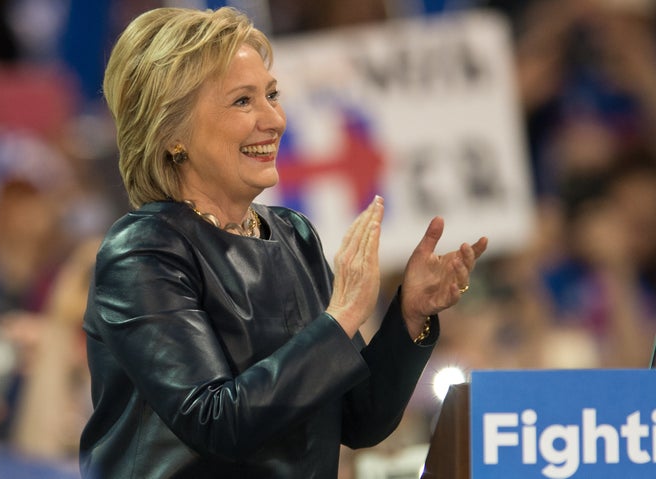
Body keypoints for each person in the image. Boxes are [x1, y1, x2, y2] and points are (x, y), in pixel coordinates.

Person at [78, 6, 488, 479]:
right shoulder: (142, 251)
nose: (274, 119)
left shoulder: (295, 236)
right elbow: (217, 422)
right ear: (172, 133)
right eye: (243, 101)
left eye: (272, 95)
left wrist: (409, 316)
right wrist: (344, 316)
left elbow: (359, 419)